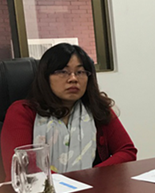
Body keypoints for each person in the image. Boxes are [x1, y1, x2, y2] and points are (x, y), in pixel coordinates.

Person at [1, 43, 137, 178]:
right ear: (46, 77)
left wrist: (91, 176)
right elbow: (22, 166)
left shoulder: (97, 108)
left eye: (80, 72)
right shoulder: (23, 112)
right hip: (39, 191)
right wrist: (73, 182)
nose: (73, 79)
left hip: (93, 188)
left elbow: (127, 151)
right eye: (63, 72)